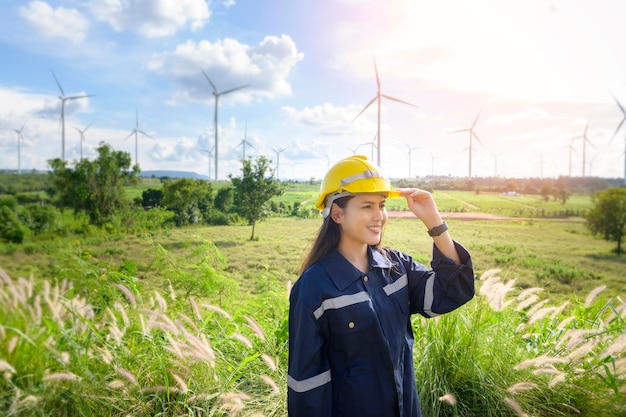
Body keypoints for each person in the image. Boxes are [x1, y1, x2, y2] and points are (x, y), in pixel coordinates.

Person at [287, 155, 475, 417]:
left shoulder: (395, 267)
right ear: (338, 213)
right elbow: (307, 384)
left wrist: (434, 222)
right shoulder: (314, 287)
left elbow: (453, 290)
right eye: (367, 206)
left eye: (382, 205)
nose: (379, 216)